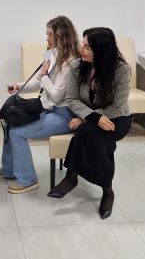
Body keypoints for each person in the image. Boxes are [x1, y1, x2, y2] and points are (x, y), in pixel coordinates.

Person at [47, 27, 132, 219]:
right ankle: (107, 190)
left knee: (88, 132)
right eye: (83, 45)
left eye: (87, 47)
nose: (81, 50)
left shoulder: (121, 70)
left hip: (118, 118)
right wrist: (92, 118)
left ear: (101, 50)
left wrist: (88, 118)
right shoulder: (78, 66)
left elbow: (118, 107)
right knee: (97, 137)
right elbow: (72, 99)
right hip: (91, 118)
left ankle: (72, 176)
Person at [1, 16, 80, 194]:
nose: (47, 38)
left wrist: (44, 75)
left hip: (63, 115)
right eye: (47, 34)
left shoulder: (71, 62)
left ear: (61, 36)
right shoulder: (53, 55)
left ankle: (28, 180)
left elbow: (57, 95)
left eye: (50, 34)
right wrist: (18, 86)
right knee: (10, 122)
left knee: (17, 133)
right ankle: (9, 169)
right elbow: (38, 81)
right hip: (48, 110)